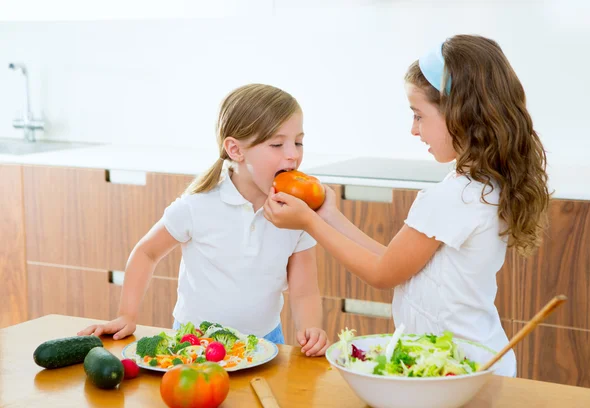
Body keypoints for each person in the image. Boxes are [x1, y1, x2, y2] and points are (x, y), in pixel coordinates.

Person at [264, 35, 551, 375]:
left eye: (419, 115)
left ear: (459, 113)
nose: (414, 130)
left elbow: (382, 274)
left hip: (459, 369)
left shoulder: (453, 197)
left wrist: (310, 224)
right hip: (474, 360)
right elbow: (396, 263)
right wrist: (329, 215)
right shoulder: (481, 185)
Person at [79, 84, 330, 357]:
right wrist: (126, 314)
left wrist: (311, 328)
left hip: (266, 342)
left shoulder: (299, 214)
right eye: (277, 144)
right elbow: (146, 252)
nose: (293, 153)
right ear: (235, 150)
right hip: (194, 342)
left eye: (298, 141)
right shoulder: (197, 206)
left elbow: (304, 290)